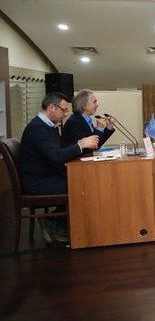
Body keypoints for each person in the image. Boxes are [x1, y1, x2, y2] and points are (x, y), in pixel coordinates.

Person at [19, 92, 99, 243]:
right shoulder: (38, 128)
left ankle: (56, 222)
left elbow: (62, 149)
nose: (66, 113)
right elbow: (56, 156)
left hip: (48, 176)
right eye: (64, 110)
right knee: (83, 186)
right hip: (38, 182)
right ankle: (58, 223)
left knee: (84, 181)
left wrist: (79, 144)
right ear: (51, 108)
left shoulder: (48, 126)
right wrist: (80, 145)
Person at [61, 89, 115, 155]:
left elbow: (97, 143)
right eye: (94, 102)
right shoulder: (74, 122)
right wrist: (99, 128)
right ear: (83, 105)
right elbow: (87, 148)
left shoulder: (86, 119)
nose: (97, 105)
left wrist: (109, 127)